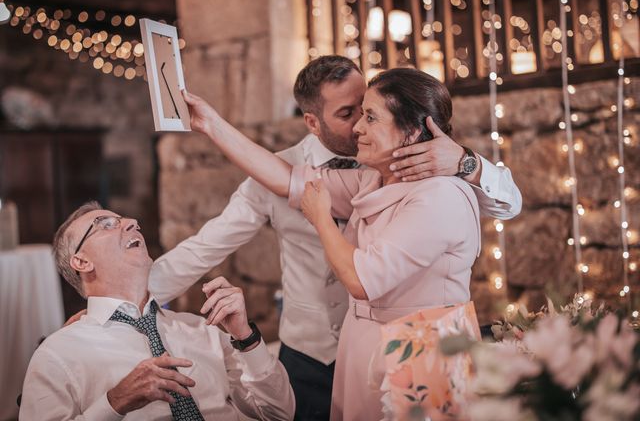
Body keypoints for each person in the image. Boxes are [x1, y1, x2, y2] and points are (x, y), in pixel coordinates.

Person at [149, 56, 521, 420]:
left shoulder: (438, 178)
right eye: (349, 114)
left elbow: (509, 203)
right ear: (312, 121)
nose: (359, 124)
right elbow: (227, 228)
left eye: (368, 113)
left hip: (415, 349)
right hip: (320, 351)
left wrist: (465, 161)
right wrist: (211, 125)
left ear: (410, 130)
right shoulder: (371, 174)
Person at [19, 202, 295, 421]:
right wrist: (114, 402)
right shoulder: (58, 353)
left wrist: (246, 338)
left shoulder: (203, 329)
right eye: (105, 224)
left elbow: (279, 413)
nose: (131, 223)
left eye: (127, 220)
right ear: (81, 261)